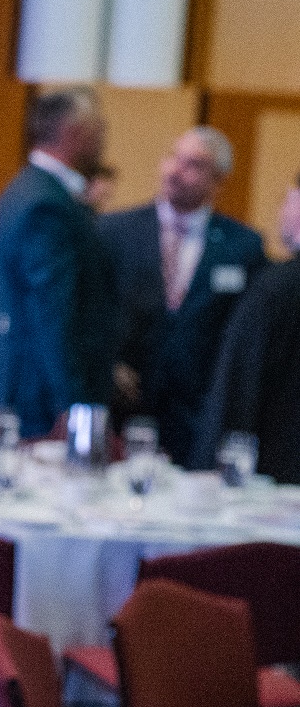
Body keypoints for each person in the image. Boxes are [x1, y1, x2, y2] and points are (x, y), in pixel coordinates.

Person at [101, 126, 267, 461]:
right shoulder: (115, 232)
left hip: (198, 413)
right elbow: (89, 310)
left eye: (193, 164)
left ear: (218, 180)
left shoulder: (242, 246)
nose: (176, 170)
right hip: (123, 404)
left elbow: (245, 331)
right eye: (173, 158)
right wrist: (108, 361)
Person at [0, 85, 117, 436]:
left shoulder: (26, 188)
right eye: (100, 131)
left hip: (25, 386)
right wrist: (70, 403)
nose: (104, 141)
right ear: (75, 132)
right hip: (40, 397)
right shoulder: (47, 204)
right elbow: (51, 310)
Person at [195, 173, 300, 484]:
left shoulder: (276, 290)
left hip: (273, 477)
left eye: (288, 200)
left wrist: (208, 466)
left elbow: (238, 384)